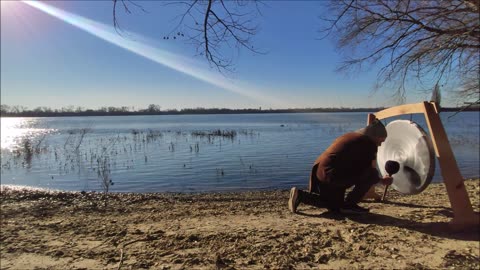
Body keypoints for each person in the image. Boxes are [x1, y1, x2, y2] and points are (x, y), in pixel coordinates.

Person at [288, 119, 393, 214]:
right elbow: (369, 171)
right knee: (371, 175)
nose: (380, 145)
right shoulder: (368, 143)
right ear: (374, 136)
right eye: (381, 141)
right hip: (332, 174)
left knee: (334, 205)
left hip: (321, 171)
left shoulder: (352, 136)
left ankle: (300, 195)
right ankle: (349, 205)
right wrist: (381, 181)